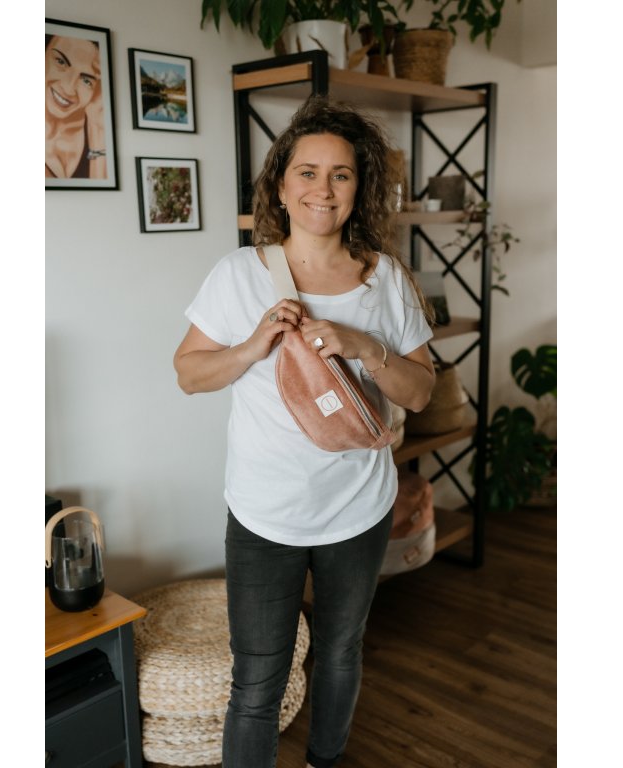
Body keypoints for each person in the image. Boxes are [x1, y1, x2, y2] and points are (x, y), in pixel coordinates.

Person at [173, 95, 436, 768]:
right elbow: (189, 375)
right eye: (308, 172)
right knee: (257, 681)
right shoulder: (239, 274)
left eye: (341, 174)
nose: (324, 188)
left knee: (341, 650)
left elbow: (421, 390)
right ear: (282, 187)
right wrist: (251, 347)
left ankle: (326, 760)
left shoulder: (385, 279)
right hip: (265, 514)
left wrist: (366, 346)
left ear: (358, 188)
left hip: (359, 507)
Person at [45, 34, 107, 180]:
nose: (69, 88)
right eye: (60, 62)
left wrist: (97, 128)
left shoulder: (98, 128)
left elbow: (105, 190)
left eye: (86, 80)